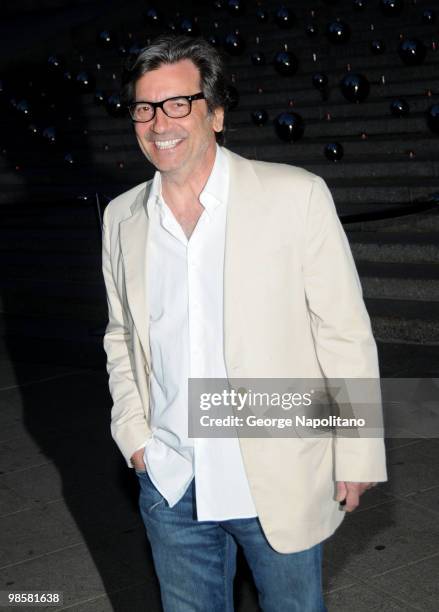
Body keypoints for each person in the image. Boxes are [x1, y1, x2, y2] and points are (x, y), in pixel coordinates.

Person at [101, 34, 387, 612]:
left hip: (273, 475)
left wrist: (357, 452)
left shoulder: (295, 196)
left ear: (217, 112)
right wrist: (135, 437)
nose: (160, 122)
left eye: (178, 103)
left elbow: (343, 333)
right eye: (145, 107)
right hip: (171, 479)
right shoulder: (122, 217)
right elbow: (121, 335)